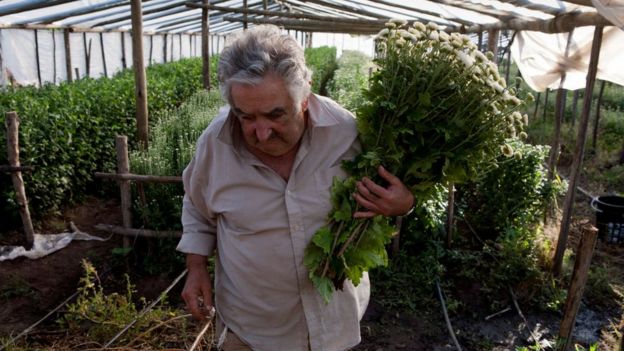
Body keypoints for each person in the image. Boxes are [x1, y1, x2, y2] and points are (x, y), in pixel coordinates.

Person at [177, 25, 414, 351]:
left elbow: (397, 190)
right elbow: (196, 204)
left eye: (276, 115)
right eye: (246, 117)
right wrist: (195, 267)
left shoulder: (346, 134)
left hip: (333, 326)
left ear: (305, 96)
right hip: (251, 330)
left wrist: (404, 204)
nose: (261, 133)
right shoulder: (215, 146)